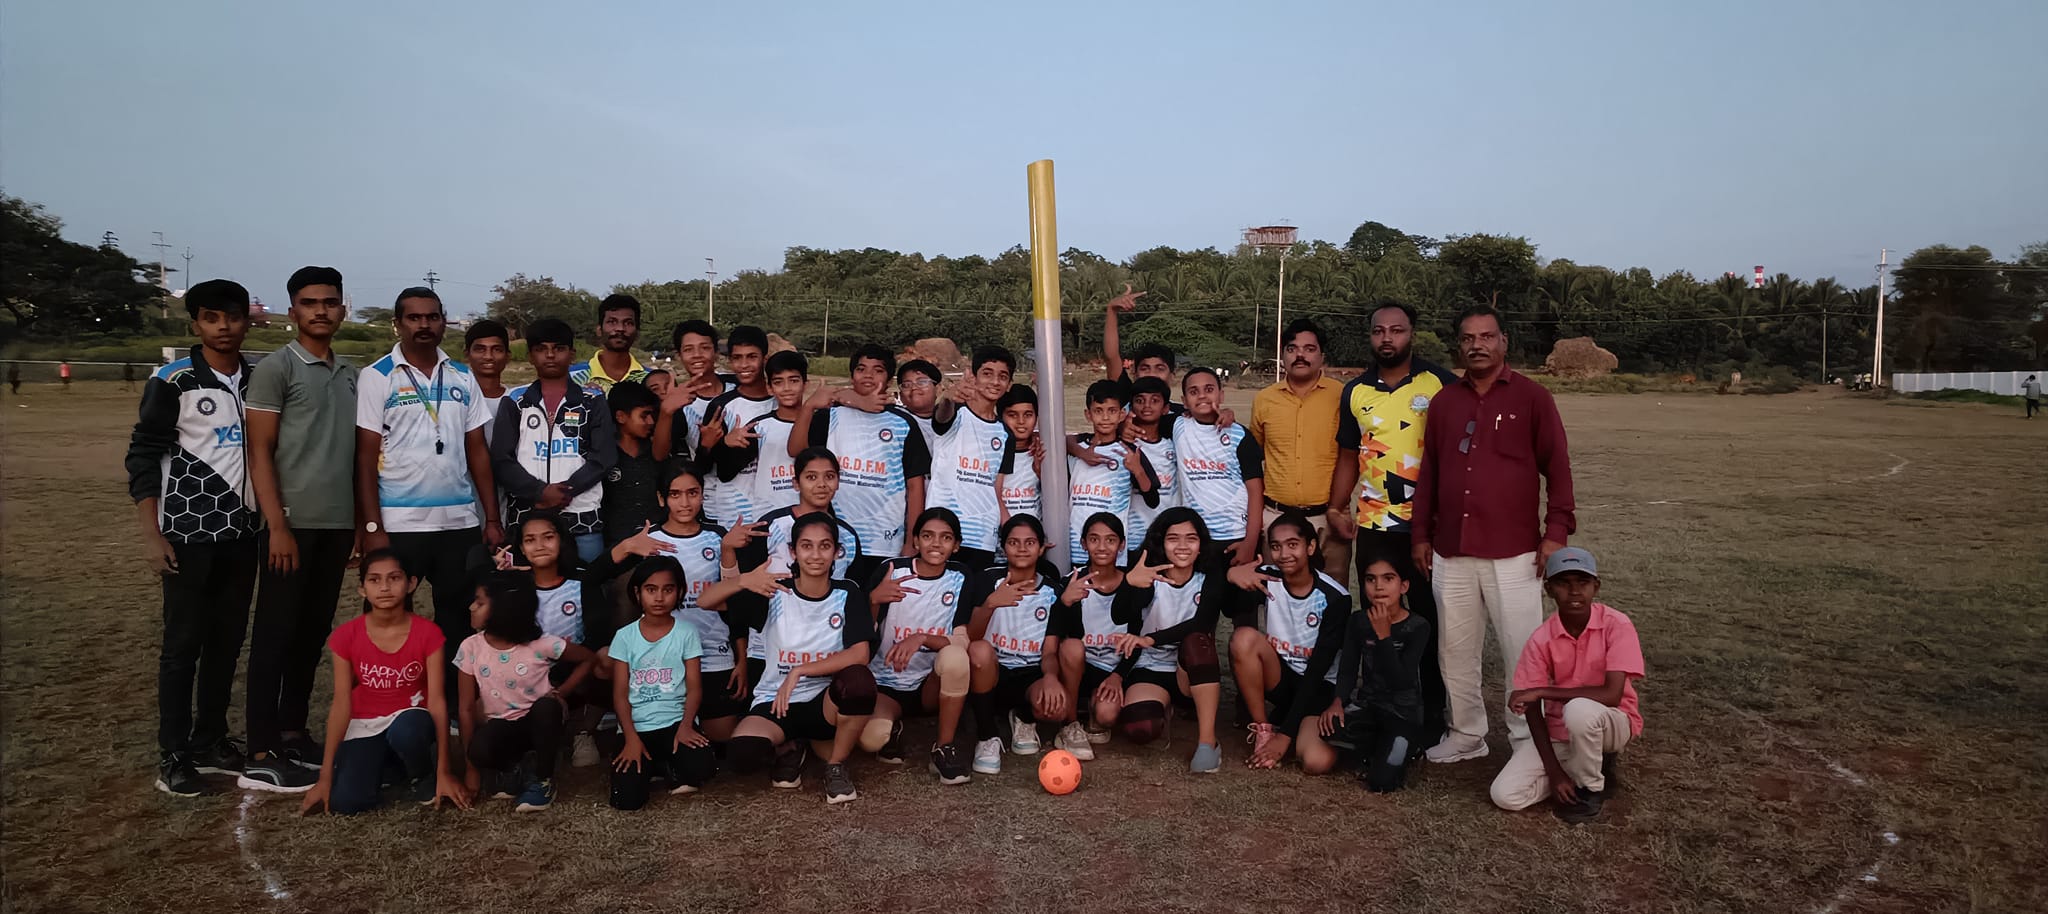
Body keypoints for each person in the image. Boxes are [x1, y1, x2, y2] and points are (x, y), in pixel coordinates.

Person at [1413, 303, 1576, 764]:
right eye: (1468, 338)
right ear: (1458, 346)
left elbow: (1558, 468)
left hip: (1514, 552)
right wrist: (1421, 534)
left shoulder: (1532, 398)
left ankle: (1526, 740)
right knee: (1454, 650)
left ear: (1504, 341)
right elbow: (1430, 472)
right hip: (1452, 550)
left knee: (1521, 651)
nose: (1477, 345)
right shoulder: (1445, 402)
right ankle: (1466, 733)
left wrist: (1556, 531)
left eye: (1487, 337)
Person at [126, 279, 262, 796]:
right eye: (211, 317)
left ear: (246, 320)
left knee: (227, 642)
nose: (223, 327)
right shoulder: (173, 381)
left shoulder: (259, 380)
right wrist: (152, 534)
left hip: (242, 535)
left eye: (232, 316)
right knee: (182, 647)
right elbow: (142, 455)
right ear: (196, 324)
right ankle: (174, 753)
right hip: (187, 535)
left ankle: (210, 739)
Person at [356, 286, 503, 714]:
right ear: (398, 324)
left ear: (443, 321)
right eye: (414, 317)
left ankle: (452, 708)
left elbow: (477, 451)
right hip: (398, 523)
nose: (424, 325)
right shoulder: (377, 376)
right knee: (388, 615)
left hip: (458, 522)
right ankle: (384, 706)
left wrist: (491, 518)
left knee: (457, 619)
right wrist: (371, 527)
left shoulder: (461, 377)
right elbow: (364, 457)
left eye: (432, 317)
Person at [240, 265, 358, 793]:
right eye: (310, 303)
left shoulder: (351, 372)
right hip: (289, 526)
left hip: (336, 525)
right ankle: (260, 750)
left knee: (311, 634)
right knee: (274, 635)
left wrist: (359, 524)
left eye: (329, 302)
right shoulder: (275, 368)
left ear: (342, 309)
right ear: (293, 312)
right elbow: (259, 452)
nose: (321, 311)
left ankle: (292, 732)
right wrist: (277, 526)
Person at [1328, 302, 1457, 746]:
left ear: (1411, 334)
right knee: (1377, 617)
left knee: (1428, 622)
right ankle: (1377, 706)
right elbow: (1349, 454)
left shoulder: (1439, 383)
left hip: (1427, 528)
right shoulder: (1356, 391)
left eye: (1397, 330)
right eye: (1379, 331)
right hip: (1375, 525)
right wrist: (1336, 507)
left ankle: (1432, 717)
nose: (1387, 338)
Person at [701, 513, 878, 805]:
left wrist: (799, 671)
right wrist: (743, 580)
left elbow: (860, 654)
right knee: (743, 755)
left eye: (824, 546)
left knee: (859, 682)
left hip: (824, 703)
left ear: (836, 551)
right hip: (777, 701)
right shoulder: (774, 590)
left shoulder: (847, 593)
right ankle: (788, 748)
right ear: (793, 551)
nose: (816, 555)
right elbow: (706, 601)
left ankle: (835, 766)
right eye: (806, 546)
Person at [298, 549, 469, 815]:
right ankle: (390, 766)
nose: (385, 587)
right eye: (374, 580)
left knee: (408, 731)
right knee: (347, 803)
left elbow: (437, 701)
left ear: (411, 583)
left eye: (394, 578)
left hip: (410, 717)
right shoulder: (346, 635)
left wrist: (444, 771)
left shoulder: (428, 633)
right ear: (362, 589)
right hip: (365, 722)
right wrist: (325, 777)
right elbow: (341, 703)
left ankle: (422, 773)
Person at [500, 509, 671, 764]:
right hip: (526, 673)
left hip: (577, 669)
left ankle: (585, 731)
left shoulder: (580, 580)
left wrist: (627, 546)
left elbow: (603, 568)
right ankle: (526, 738)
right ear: (521, 548)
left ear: (561, 540)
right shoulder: (512, 586)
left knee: (608, 658)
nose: (540, 546)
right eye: (530, 540)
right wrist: (493, 571)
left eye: (548, 537)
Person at [1489, 547, 1643, 824]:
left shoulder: (1616, 624)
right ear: (1549, 589)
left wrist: (1542, 691)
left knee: (1579, 710)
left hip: (1613, 722)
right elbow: (1531, 708)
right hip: (1561, 732)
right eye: (1563, 583)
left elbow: (1611, 695)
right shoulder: (1542, 637)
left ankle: (1591, 789)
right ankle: (1581, 770)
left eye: (1583, 582)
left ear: (1596, 587)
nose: (1574, 592)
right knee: (1505, 795)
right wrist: (1554, 772)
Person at [455, 572, 599, 812]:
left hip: (540, 723)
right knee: (479, 749)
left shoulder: (541, 644)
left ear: (503, 610)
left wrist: (561, 692)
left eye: (479, 603)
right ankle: (515, 768)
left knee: (546, 708)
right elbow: (466, 708)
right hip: (501, 726)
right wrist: (471, 770)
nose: (471, 607)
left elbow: (589, 659)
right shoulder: (470, 647)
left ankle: (543, 779)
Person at [788, 343, 930, 575]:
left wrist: (911, 540)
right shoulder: (830, 415)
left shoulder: (903, 423)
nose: (868, 375)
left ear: (889, 379)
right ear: (852, 375)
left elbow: (915, 486)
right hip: (834, 538)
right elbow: (796, 450)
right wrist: (809, 407)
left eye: (878, 370)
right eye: (861, 369)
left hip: (884, 541)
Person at [1225, 513, 1350, 773]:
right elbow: (1229, 608)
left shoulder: (1336, 598)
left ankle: (1289, 726)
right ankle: (1264, 730)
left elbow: (1317, 670)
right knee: (1243, 639)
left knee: (1316, 762)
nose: (1284, 554)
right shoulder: (1267, 578)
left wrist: (1286, 737)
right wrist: (1231, 575)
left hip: (1318, 688)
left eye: (1293, 545)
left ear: (1311, 547)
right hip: (1282, 679)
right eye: (1276, 546)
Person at [634, 465, 750, 745]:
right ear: (661, 498)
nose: (685, 502)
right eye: (675, 494)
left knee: (723, 741)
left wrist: (741, 659)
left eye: (692, 493)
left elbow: (736, 605)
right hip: (664, 659)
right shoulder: (648, 540)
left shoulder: (719, 537)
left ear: (702, 494)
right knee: (666, 739)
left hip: (714, 655)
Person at [859, 508, 975, 784]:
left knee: (956, 656)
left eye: (946, 537)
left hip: (929, 683)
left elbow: (962, 640)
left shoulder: (961, 577)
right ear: (915, 540)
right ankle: (892, 729)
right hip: (885, 682)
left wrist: (921, 638)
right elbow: (862, 634)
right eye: (927, 536)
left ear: (956, 546)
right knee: (871, 740)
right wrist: (873, 600)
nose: (936, 543)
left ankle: (943, 747)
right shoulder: (892, 570)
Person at [733, 447, 866, 689]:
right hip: (768, 651)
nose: (821, 485)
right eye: (811, 477)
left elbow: (852, 596)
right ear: (796, 483)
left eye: (829, 476)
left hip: (827, 651)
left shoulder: (848, 536)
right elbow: (742, 593)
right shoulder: (769, 527)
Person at [1110, 507, 1229, 773]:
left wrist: (1149, 639)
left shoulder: (1209, 576)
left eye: (1191, 538)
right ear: (1161, 543)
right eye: (1173, 538)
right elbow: (1119, 615)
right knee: (1139, 728)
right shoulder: (1150, 575)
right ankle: (1164, 707)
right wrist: (1129, 583)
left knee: (1196, 642)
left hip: (1190, 671)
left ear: (1201, 544)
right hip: (1151, 668)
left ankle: (1208, 743)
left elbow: (1202, 623)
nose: (1183, 546)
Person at [492, 318, 616, 563]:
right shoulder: (515, 400)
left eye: (558, 348)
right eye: (541, 349)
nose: (550, 355)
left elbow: (604, 456)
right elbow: (501, 458)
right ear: (530, 356)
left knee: (586, 582)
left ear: (572, 354)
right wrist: (539, 492)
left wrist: (564, 492)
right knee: (527, 584)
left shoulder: (592, 400)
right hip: (528, 516)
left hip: (581, 515)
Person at [605, 556, 717, 809]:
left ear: (679, 592)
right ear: (637, 593)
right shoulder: (624, 636)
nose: (659, 598)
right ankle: (653, 766)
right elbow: (620, 695)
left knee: (703, 766)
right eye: (651, 589)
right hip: (637, 726)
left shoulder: (686, 632)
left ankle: (667, 765)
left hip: (674, 722)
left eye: (668, 590)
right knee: (626, 800)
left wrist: (687, 726)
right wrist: (630, 738)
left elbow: (694, 688)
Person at [961, 514, 1070, 775]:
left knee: (1058, 709)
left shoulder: (1052, 591)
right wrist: (990, 604)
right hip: (992, 673)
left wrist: (1051, 677)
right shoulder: (986, 580)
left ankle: (1024, 716)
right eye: (1013, 542)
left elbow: (1050, 651)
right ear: (1003, 547)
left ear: (1041, 548)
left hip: (1030, 675)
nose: (1021, 548)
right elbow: (970, 638)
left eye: (1030, 542)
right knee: (979, 650)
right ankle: (987, 736)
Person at [1249, 318, 1347, 577]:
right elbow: (1253, 457)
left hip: (1328, 519)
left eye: (1309, 349)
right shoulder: (1264, 399)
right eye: (1292, 349)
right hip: (1276, 517)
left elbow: (1351, 456)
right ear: (1282, 355)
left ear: (1322, 356)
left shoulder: (1343, 396)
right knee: (1277, 592)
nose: (1300, 355)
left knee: (1332, 593)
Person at [1333, 555, 1433, 793]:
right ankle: (1375, 747)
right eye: (1371, 579)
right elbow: (1347, 669)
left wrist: (1384, 636)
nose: (1378, 587)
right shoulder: (1358, 621)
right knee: (1327, 727)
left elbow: (1401, 681)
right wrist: (1338, 701)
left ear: (1403, 586)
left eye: (1388, 579)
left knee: (1381, 782)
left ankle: (1407, 749)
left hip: (1402, 713)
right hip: (1369, 706)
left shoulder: (1418, 626)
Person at [1052, 512, 1139, 754]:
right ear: (1083, 543)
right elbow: (1054, 633)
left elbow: (1138, 636)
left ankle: (1093, 705)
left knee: (1106, 715)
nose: (1102, 547)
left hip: (1112, 669)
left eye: (1110, 540)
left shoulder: (1133, 583)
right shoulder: (1070, 582)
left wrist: (1118, 675)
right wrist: (1064, 603)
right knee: (1072, 647)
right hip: (1076, 667)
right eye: (1094, 539)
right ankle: (1069, 724)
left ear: (1122, 545)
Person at [924, 346, 1016, 569]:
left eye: (1002, 376)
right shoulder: (955, 412)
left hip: (983, 536)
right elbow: (942, 416)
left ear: (1009, 385)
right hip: (944, 532)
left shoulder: (1005, 433)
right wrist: (948, 397)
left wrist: (1016, 531)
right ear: (973, 377)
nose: (995, 382)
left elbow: (996, 491)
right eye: (987, 374)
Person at [1163, 368, 1264, 568]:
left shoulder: (1240, 435)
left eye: (1209, 389)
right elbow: (1142, 416)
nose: (1202, 396)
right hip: (1196, 536)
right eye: (1194, 392)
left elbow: (1255, 491)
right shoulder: (1177, 425)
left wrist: (1250, 543)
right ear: (1184, 402)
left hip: (1237, 534)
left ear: (1221, 395)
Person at [1066, 379, 1158, 567]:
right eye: (1098, 411)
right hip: (1075, 548)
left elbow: (1152, 499)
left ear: (1121, 414)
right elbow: (1064, 439)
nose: (1105, 417)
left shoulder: (1129, 452)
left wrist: (1138, 471)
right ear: (1088, 415)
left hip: (1113, 552)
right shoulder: (1076, 448)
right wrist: (1081, 453)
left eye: (1112, 411)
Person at [698, 326, 777, 528]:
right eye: (737, 358)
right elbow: (704, 466)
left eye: (752, 357)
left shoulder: (782, 402)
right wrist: (721, 444)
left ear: (765, 359)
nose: (744, 365)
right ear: (730, 361)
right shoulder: (720, 407)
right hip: (732, 513)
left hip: (776, 509)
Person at [737, 351, 810, 519]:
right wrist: (726, 444)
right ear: (769, 388)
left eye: (794, 381)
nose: (787, 388)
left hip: (809, 518)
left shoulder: (821, 423)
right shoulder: (758, 427)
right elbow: (726, 473)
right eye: (778, 382)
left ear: (805, 384)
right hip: (768, 518)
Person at [654, 319, 734, 464]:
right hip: (706, 477)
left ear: (716, 352)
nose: (697, 355)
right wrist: (666, 411)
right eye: (688, 349)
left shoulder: (736, 384)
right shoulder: (679, 402)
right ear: (679, 356)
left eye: (705, 348)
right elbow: (659, 455)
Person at [1122, 377, 1181, 561]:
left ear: (1165, 408)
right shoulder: (1122, 446)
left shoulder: (1175, 445)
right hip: (1134, 537)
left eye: (1154, 400)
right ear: (1131, 407)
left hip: (1167, 535)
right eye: (1140, 400)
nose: (1146, 406)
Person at [600, 380, 665, 548]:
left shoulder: (656, 450)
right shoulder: (602, 455)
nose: (651, 421)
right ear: (620, 416)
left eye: (652, 415)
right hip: (615, 546)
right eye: (644, 415)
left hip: (658, 542)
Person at [570, 293, 647, 395]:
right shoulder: (571, 378)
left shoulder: (651, 381)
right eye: (612, 322)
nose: (620, 328)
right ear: (599, 330)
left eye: (628, 323)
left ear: (637, 333)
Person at [993, 384, 1042, 526]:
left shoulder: (1042, 450)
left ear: (1037, 417)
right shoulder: (992, 451)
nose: (1021, 421)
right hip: (1000, 532)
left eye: (1028, 415)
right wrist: (1010, 531)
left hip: (1034, 533)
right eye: (1012, 415)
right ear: (1000, 416)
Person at [464, 320, 512, 448]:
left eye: (497, 349)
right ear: (467, 354)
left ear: (508, 356)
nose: (488, 356)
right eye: (480, 349)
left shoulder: (517, 401)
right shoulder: (458, 400)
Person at [896, 359, 943, 444]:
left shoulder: (953, 419)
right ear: (901, 395)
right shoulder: (896, 421)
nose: (914, 388)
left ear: (938, 389)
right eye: (907, 385)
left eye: (921, 382)